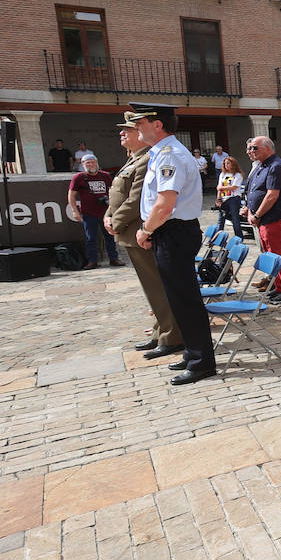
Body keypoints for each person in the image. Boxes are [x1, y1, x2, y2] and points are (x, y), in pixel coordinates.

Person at [130, 102, 216, 385]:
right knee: (177, 298)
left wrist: (145, 230)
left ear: (158, 124)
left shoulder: (171, 155)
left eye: (140, 122)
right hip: (170, 232)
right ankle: (192, 352)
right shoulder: (161, 154)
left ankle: (202, 361)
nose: (136, 127)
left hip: (175, 231)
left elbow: (165, 205)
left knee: (185, 299)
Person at [106, 112, 182, 359]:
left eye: (130, 129)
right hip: (132, 232)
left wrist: (116, 223)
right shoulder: (135, 160)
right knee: (152, 289)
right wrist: (109, 215)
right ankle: (160, 332)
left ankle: (171, 336)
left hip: (141, 231)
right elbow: (116, 195)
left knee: (158, 288)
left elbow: (136, 198)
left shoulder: (149, 159)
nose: (125, 133)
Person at [243, 136, 281, 302]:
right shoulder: (262, 166)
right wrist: (250, 211)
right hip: (262, 219)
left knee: (278, 254)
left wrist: (257, 214)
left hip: (272, 218)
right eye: (249, 148)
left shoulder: (276, 166)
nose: (250, 151)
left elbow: (271, 196)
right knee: (270, 255)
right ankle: (278, 286)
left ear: (267, 148)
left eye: (254, 148)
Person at [66, 153, 123, 269]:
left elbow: (113, 192)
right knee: (90, 238)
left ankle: (114, 258)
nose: (91, 164)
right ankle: (92, 261)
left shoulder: (105, 176)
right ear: (83, 164)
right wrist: (75, 211)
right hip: (88, 213)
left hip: (105, 213)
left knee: (109, 236)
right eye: (88, 162)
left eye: (93, 162)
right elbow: (71, 195)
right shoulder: (78, 178)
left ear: (97, 163)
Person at [214, 156, 245, 238]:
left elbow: (234, 187)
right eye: (224, 163)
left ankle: (239, 237)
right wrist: (218, 199)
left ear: (233, 164)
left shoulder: (238, 175)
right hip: (224, 199)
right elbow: (219, 187)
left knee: (235, 219)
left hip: (234, 199)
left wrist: (221, 188)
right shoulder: (222, 174)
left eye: (228, 163)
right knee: (221, 218)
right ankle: (216, 237)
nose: (226, 165)